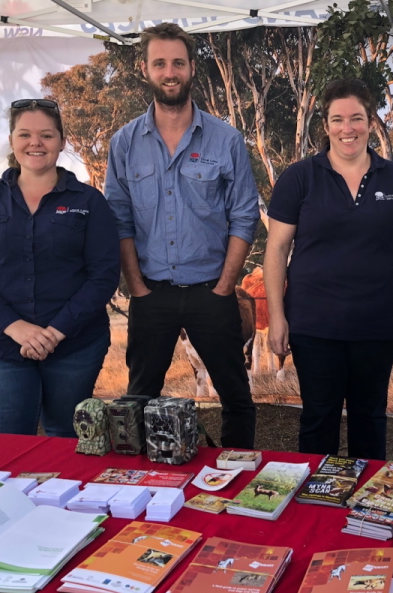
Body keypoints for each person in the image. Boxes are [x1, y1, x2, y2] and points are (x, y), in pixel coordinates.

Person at [103, 23, 259, 448]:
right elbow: (119, 219)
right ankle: (142, 479)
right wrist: (136, 287)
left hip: (213, 292)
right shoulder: (124, 143)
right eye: (160, 63)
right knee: (138, 400)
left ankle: (234, 474)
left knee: (237, 399)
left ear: (191, 68)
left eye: (177, 63)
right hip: (151, 294)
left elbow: (244, 215)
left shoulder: (226, 140)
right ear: (145, 69)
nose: (169, 72)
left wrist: (226, 286)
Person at [264, 79, 393, 460]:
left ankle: (366, 497)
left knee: (370, 420)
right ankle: (316, 495)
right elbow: (277, 248)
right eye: (337, 119)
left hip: (378, 326)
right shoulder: (299, 178)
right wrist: (276, 316)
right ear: (325, 125)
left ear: (371, 122)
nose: (347, 128)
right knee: (319, 420)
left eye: (356, 118)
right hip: (314, 327)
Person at [0, 99, 120, 437]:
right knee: (4, 447)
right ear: (12, 140)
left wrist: (54, 333)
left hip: (75, 346)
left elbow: (103, 276)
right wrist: (16, 328)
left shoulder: (89, 202)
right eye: (25, 134)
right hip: (1, 347)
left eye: (47, 135)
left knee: (67, 442)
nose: (35, 143)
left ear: (62, 141)